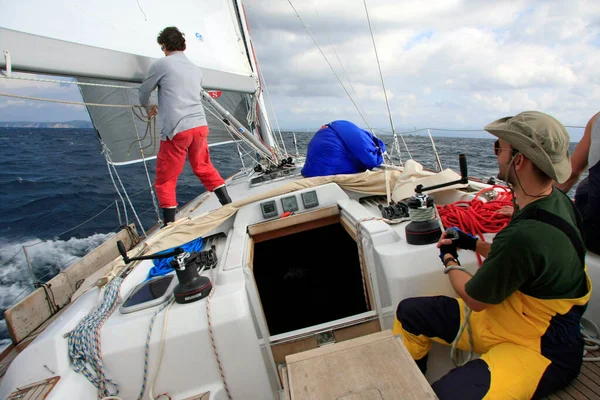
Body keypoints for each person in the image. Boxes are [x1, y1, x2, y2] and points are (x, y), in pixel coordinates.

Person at [394, 111, 590, 399]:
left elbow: (474, 298)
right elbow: (521, 260)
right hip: (508, 318)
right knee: (409, 315)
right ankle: (406, 389)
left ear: (518, 160)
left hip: (540, 348)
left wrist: (450, 259)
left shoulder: (525, 234)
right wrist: (473, 244)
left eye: (498, 147)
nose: (495, 154)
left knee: (447, 395)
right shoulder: (555, 201)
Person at [139, 26, 231, 226]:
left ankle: (169, 224)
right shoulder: (195, 68)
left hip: (177, 129)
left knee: (166, 178)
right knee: (203, 166)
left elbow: (144, 90)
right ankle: (227, 203)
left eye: (162, 47)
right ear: (184, 45)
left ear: (164, 46)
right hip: (199, 126)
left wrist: (147, 107)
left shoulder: (161, 64)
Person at [555, 111, 600, 254]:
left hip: (595, 237)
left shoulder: (596, 120)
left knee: (586, 187)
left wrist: (530, 207)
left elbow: (571, 174)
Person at [301, 120, 386, 177]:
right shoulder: (362, 138)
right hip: (326, 170)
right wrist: (379, 156)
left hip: (308, 171)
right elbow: (370, 160)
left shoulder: (341, 125)